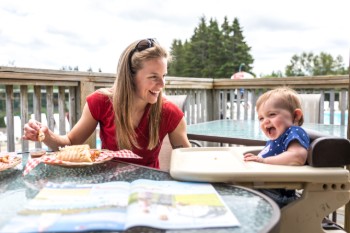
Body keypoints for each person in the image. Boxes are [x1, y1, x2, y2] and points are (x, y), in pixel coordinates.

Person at [23, 38, 191, 169]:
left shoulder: (170, 113)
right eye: (153, 77)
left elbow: (188, 160)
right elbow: (70, 143)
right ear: (130, 76)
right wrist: (47, 134)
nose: (162, 85)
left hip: (147, 190)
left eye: (164, 76)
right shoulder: (101, 102)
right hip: (107, 186)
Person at [243, 87, 310, 207]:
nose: (265, 121)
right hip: (265, 189)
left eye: (272, 114)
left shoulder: (294, 132)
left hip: (275, 195)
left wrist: (263, 160)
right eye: (261, 118)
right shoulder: (278, 138)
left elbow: (297, 157)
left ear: (295, 116)